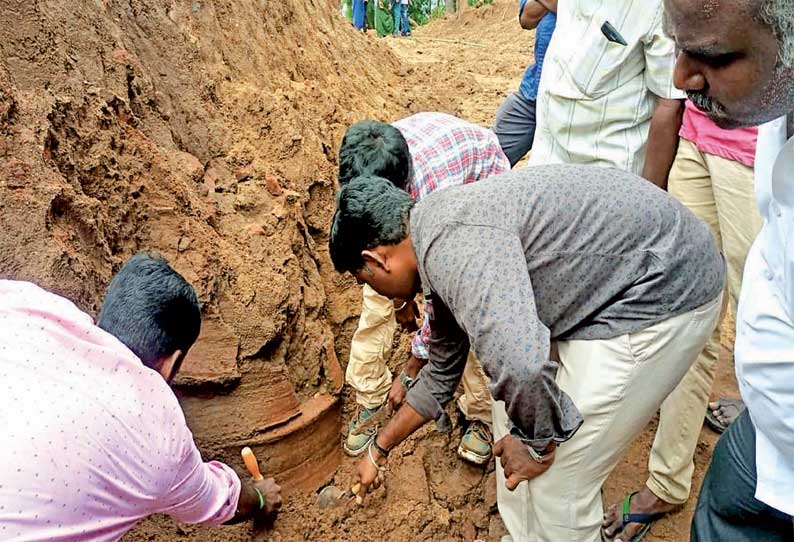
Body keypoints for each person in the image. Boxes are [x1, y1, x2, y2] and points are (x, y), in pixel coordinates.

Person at [330, 165, 725, 542]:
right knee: (509, 418)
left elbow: (522, 365)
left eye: (362, 280)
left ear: (374, 260)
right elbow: (441, 373)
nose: (374, 291)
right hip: (615, 279)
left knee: (561, 479)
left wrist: (538, 445)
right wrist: (379, 450)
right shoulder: (431, 233)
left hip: (663, 286)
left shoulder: (455, 250)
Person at [0, 253, 282, 541]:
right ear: (172, 363)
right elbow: (219, 500)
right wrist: (260, 498)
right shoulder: (160, 442)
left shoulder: (27, 303)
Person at [662, 0, 794, 540]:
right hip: (768, 438)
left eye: (712, 56)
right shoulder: (774, 115)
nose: (680, 76)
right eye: (676, 44)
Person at [601, 101, 761, 541]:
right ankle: (668, 481)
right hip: (698, 135)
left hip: (758, 150)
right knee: (688, 318)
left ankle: (770, 483)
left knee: (765, 325)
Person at [338, 113, 510, 465]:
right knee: (375, 298)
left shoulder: (435, 197)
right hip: (402, 229)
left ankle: (480, 414)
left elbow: (440, 308)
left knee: (467, 315)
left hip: (479, 185)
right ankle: (370, 394)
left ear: (397, 191)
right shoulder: (362, 169)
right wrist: (399, 297)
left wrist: (413, 365)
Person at [528, 0, 684, 188]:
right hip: (546, 156)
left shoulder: (658, 8)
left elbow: (669, 104)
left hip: (606, 177)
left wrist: (648, 196)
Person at [493, 0, 556, 166]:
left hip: (576, 98)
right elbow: (526, 18)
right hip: (534, 90)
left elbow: (578, 7)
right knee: (488, 157)